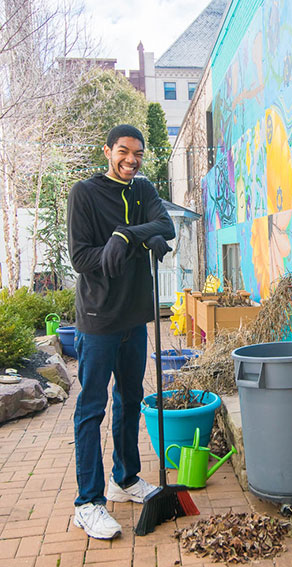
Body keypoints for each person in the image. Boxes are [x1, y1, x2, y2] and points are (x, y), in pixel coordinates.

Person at [67, 124, 175, 539]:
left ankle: (125, 479)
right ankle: (88, 502)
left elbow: (164, 225)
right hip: (98, 320)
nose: (132, 161)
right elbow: (81, 257)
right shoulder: (85, 193)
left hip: (135, 315)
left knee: (131, 401)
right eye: (124, 152)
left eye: (139, 155)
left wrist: (125, 235)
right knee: (91, 409)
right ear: (108, 150)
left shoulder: (144, 190)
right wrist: (122, 245)